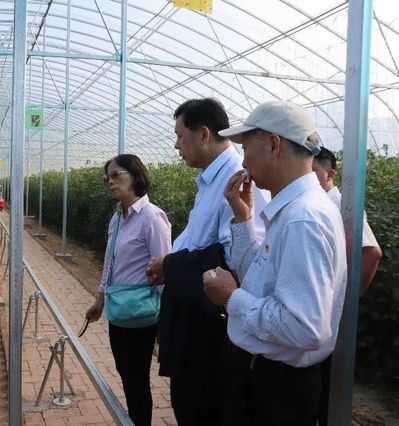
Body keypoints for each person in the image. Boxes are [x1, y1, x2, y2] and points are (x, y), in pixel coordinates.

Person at [203, 100, 348, 426]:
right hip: (265, 380)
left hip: (274, 391)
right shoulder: (292, 211)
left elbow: (304, 328)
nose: (243, 161)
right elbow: (258, 281)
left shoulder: (303, 219)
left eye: (246, 148)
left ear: (273, 144)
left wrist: (231, 298)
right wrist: (243, 219)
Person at [145, 98, 269, 425]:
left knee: (203, 408)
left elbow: (236, 261)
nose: (176, 145)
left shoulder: (236, 180)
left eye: (179, 136)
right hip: (196, 320)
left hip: (211, 331)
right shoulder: (211, 181)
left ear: (203, 134)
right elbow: (205, 243)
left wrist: (171, 266)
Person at [85, 154, 171, 426]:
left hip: (140, 311)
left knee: (137, 377)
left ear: (136, 176)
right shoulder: (118, 218)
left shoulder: (152, 217)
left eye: (116, 175)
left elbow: (165, 270)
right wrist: (100, 299)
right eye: (107, 178)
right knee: (125, 371)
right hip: (119, 309)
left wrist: (165, 321)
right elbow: (109, 263)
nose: (110, 182)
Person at [312, 146, 382, 426]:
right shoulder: (318, 203)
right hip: (321, 316)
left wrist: (345, 303)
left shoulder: (342, 205)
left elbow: (371, 253)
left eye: (313, 173)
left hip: (330, 317)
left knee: (328, 392)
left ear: (330, 174)